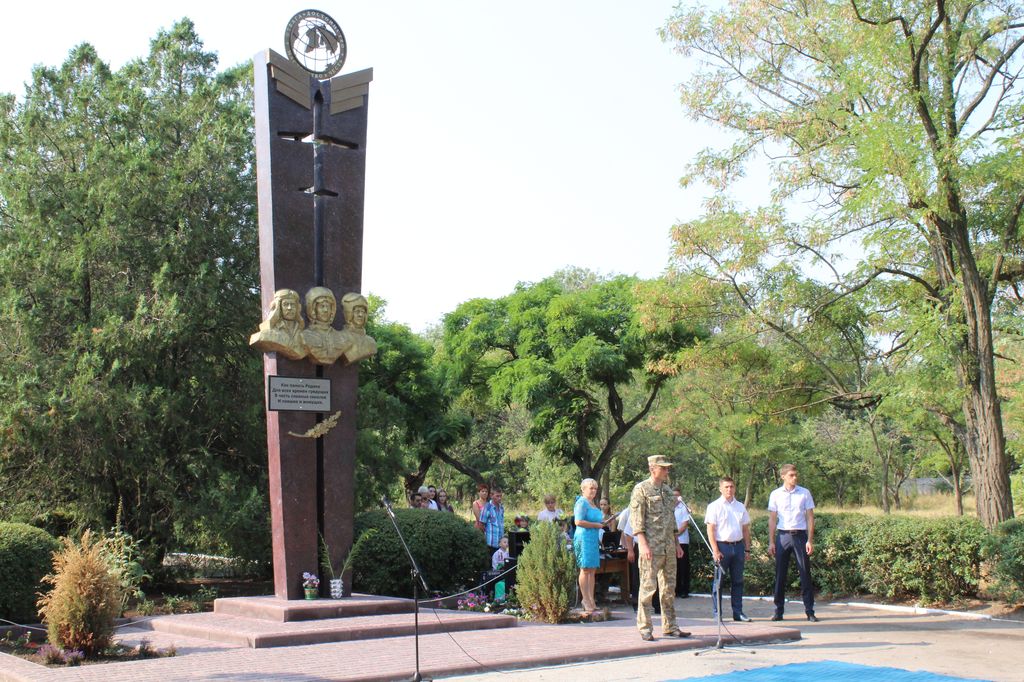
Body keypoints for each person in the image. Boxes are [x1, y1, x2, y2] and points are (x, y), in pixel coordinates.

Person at [629, 455, 690, 641]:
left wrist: (677, 544)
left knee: (669, 589)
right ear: (652, 468)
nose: (666, 471)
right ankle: (645, 627)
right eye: (663, 468)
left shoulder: (668, 491)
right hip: (651, 547)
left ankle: (670, 626)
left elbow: (672, 520)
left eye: (667, 468)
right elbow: (637, 520)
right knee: (648, 588)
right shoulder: (641, 489)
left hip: (668, 547)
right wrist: (643, 544)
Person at [768, 463, 818, 622]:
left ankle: (809, 611)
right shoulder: (775, 494)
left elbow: (810, 517)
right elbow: (772, 519)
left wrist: (810, 540)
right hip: (783, 536)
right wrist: (771, 541)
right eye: (791, 475)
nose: (794, 478)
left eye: (796, 475)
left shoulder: (804, 493)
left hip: (800, 536)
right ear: (783, 476)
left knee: (805, 573)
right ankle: (778, 611)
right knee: (780, 574)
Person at [705, 476, 752, 622]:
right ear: (720, 488)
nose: (729, 489)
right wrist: (715, 550)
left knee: (738, 581)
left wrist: (747, 549)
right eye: (726, 487)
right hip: (722, 547)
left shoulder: (740, 506)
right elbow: (710, 530)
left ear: (735, 488)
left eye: (731, 486)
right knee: (718, 582)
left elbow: (745, 529)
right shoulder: (714, 506)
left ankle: (738, 612)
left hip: (738, 547)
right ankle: (717, 614)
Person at [573, 478, 604, 616]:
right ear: (583, 489)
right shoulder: (581, 502)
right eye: (591, 488)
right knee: (585, 568)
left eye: (595, 488)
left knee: (592, 569)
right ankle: (585, 599)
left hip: (593, 537)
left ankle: (591, 599)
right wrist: (595, 525)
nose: (593, 491)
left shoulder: (593, 503)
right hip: (584, 537)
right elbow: (578, 521)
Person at [249, 288, 306, 360]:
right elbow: (261, 335)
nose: (289, 308)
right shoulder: (268, 333)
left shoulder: (302, 332)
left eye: (293, 305)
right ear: (278, 307)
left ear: (298, 308)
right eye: (285, 304)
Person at [300, 287, 353, 365]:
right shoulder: (304, 336)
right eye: (322, 306)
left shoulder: (342, 337)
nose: (325, 310)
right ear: (313, 309)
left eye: (328, 306)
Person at [338, 292, 378, 364]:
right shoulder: (339, 338)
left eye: (363, 311)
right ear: (348, 313)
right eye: (357, 311)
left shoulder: (371, 342)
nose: (361, 315)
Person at [673, 487, 691, 598]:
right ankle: (676, 589)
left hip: (682, 541)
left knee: (683, 566)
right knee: (674, 567)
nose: (675, 497)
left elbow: (684, 525)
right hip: (671, 542)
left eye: (677, 495)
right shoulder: (668, 508)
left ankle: (685, 590)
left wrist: (675, 535)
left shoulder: (683, 508)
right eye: (673, 495)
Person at [480, 487, 506, 553]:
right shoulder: (487, 508)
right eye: (497, 496)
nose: (499, 498)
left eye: (500, 496)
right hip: (490, 544)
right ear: (491, 496)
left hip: (501, 544)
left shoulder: (501, 508)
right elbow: (481, 525)